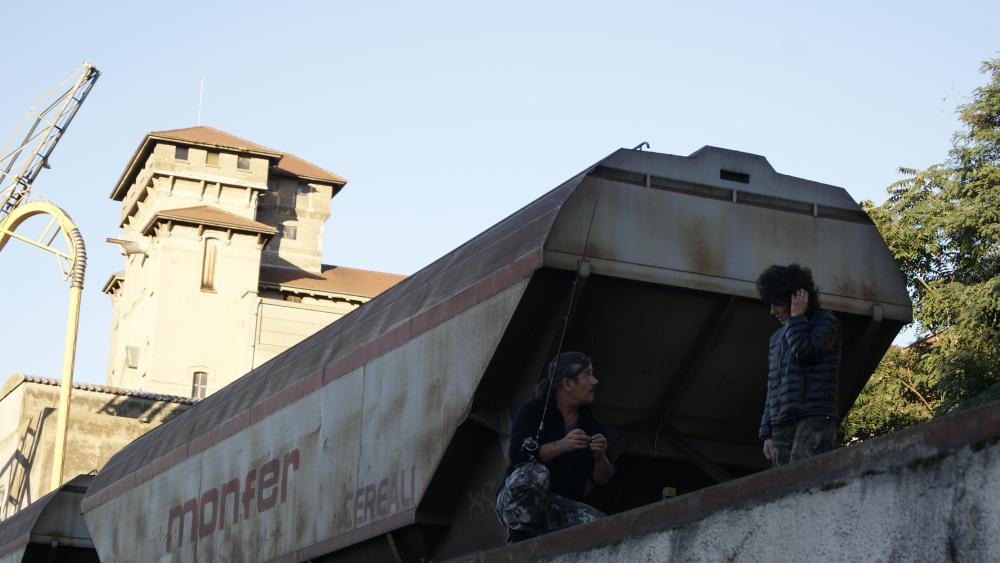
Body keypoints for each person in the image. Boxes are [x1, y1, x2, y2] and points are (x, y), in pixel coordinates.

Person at [495, 351, 614, 542]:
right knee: (536, 474)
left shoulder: (593, 427)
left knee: (601, 525)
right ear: (567, 383)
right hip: (514, 502)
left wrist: (601, 457)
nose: (595, 381)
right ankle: (519, 542)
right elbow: (518, 455)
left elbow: (603, 479)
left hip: (557, 507)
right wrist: (562, 445)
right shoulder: (533, 411)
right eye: (587, 375)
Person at [756, 264, 842, 467]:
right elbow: (772, 386)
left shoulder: (826, 321)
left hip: (814, 417)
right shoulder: (776, 338)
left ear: (796, 298)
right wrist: (766, 432)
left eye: (776, 303)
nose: (772, 311)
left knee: (806, 481)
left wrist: (797, 318)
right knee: (783, 488)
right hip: (781, 425)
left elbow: (806, 353)